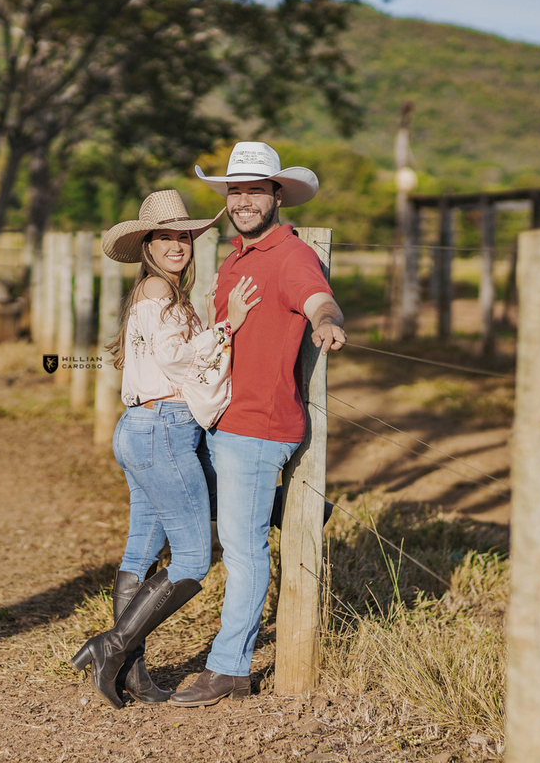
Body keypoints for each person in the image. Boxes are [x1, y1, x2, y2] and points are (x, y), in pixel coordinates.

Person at [170, 142, 347, 707]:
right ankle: (291, 510)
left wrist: (326, 323)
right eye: (235, 191)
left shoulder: (291, 254)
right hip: (227, 417)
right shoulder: (233, 258)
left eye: (254, 190)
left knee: (243, 552)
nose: (243, 200)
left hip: (260, 423)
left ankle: (229, 668)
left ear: (276, 194)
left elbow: (320, 299)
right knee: (229, 529)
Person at [71, 190, 260, 709]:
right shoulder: (158, 290)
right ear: (146, 245)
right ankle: (112, 646)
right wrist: (229, 325)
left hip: (142, 426)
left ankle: (130, 672)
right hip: (163, 429)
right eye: (166, 237)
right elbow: (174, 357)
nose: (178, 245)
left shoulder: (160, 294)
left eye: (185, 236)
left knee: (141, 551)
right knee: (195, 557)